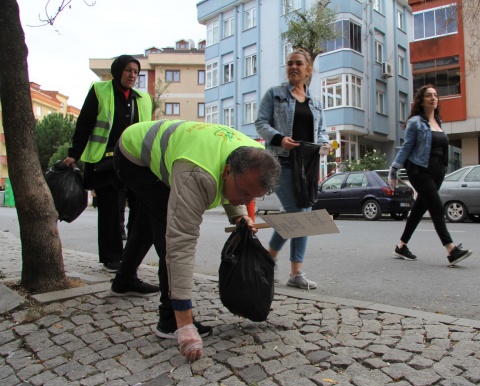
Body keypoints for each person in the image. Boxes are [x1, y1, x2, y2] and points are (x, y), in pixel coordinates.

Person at [114, 119, 280, 361]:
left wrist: (240, 216)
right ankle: (169, 321)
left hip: (179, 152)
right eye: (244, 194)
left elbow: (237, 183)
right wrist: (185, 322)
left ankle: (123, 280)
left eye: (252, 198)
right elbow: (180, 244)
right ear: (226, 171)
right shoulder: (197, 174)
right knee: (166, 231)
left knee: (149, 221)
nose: (246, 201)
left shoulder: (253, 158)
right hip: (132, 156)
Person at [64, 55, 156, 285]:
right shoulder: (99, 91)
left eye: (136, 71)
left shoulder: (143, 99)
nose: (132, 75)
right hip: (104, 162)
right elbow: (84, 123)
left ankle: (131, 252)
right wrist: (74, 154)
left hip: (134, 162)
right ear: (117, 71)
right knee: (110, 211)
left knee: (140, 207)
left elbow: (148, 132)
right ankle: (113, 258)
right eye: (128, 70)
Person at [255, 48, 330, 290]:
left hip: (307, 165)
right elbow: (261, 123)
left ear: (308, 70)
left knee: (299, 217)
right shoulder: (274, 95)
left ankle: (274, 264)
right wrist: (278, 138)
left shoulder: (315, 103)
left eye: (298, 63)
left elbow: (320, 131)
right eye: (289, 63)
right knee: (299, 215)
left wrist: (325, 143)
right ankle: (286, 269)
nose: (293, 67)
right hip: (281, 161)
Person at [388, 85, 472, 266]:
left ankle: (401, 246)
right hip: (419, 171)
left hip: (437, 172)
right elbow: (406, 147)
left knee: (419, 209)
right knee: (436, 207)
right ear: (421, 100)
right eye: (428, 95)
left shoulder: (438, 122)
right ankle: (451, 250)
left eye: (435, 95)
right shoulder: (415, 122)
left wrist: (444, 168)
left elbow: (442, 149)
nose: (433, 98)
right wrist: (394, 169)